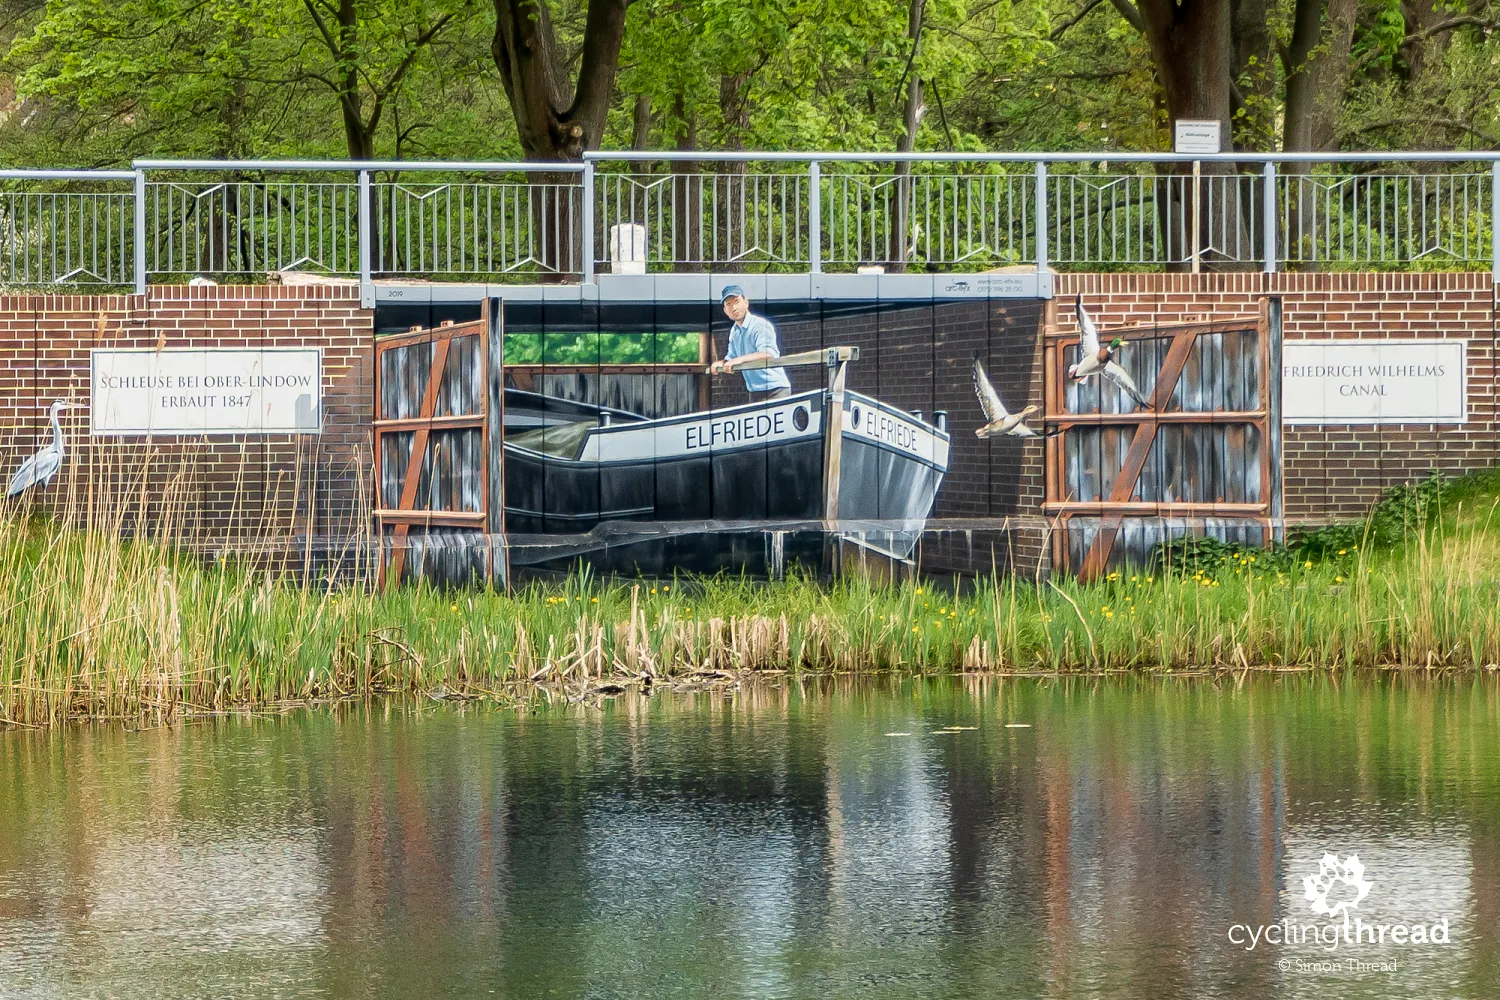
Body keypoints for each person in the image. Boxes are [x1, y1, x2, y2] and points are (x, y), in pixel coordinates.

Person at [709, 284, 791, 400]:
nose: (733, 308)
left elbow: (768, 354)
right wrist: (721, 363)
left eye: (737, 301)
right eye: (728, 305)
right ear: (725, 311)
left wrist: (738, 360)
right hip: (754, 392)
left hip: (776, 390)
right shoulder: (734, 331)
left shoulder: (760, 325)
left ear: (746, 303)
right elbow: (732, 357)